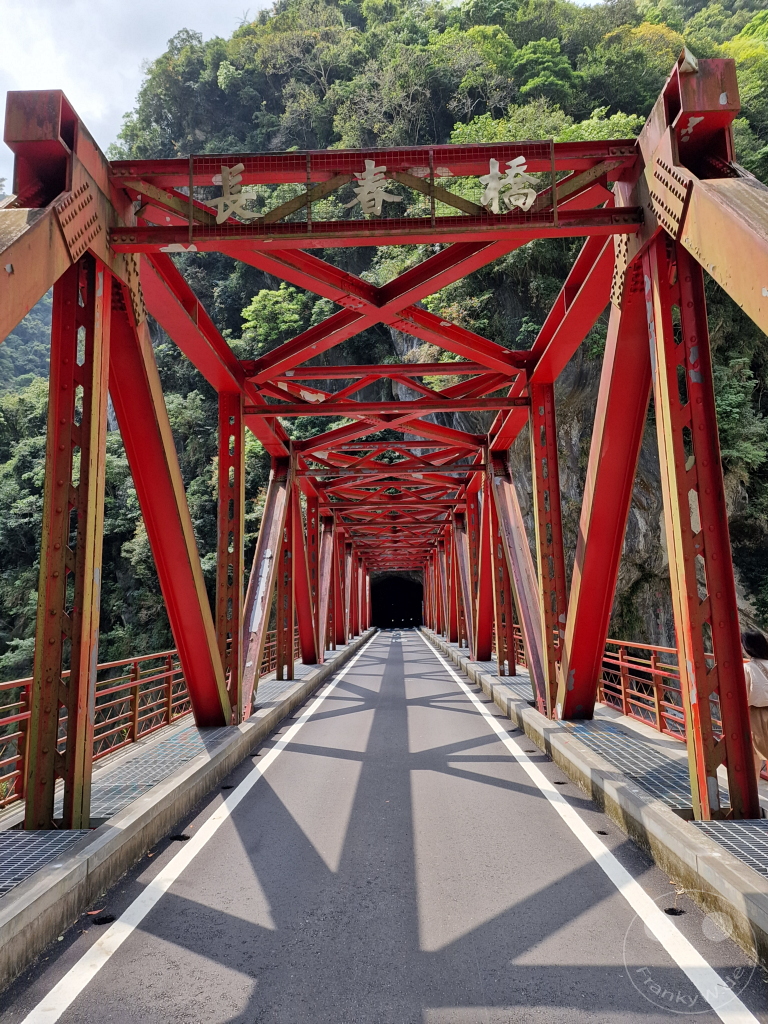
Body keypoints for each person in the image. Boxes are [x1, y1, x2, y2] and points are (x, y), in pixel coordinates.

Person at [741, 630, 768, 783]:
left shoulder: (748, 668)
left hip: (757, 714)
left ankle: (754, 793)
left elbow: (743, 695)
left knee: (755, 755)